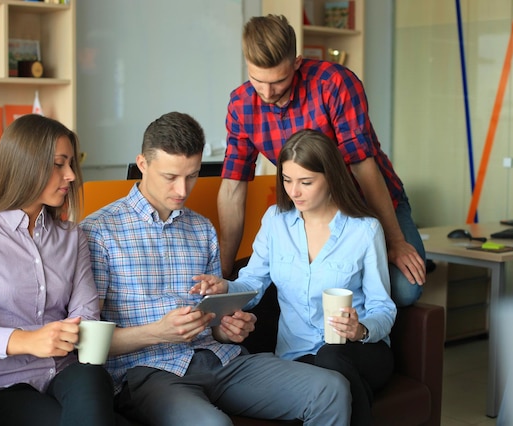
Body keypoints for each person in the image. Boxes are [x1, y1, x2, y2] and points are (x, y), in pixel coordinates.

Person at [80, 112, 352, 425]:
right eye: (170, 177)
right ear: (142, 164)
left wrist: (227, 329)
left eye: (192, 175)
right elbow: (87, 343)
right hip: (150, 373)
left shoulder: (202, 228)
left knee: (331, 388)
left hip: (221, 361)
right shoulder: (99, 232)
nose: (182, 190)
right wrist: (157, 332)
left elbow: (216, 323)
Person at [217, 14, 425, 307]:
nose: (267, 93)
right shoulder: (240, 105)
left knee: (404, 290)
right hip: (317, 212)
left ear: (298, 62)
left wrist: (396, 242)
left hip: (370, 200)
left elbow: (363, 167)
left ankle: (373, 336)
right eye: (257, 81)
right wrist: (224, 271)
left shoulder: (334, 83)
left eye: (278, 81)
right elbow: (232, 188)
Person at [194, 129, 397, 426]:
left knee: (332, 358)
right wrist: (225, 287)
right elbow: (253, 283)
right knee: (327, 369)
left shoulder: (365, 230)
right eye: (287, 180)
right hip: (298, 355)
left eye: (306, 182)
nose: (294, 192)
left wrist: (361, 329)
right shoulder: (275, 221)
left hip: (363, 352)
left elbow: (384, 307)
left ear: (330, 177)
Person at [0, 114, 116, 426]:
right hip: (0, 387)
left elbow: (86, 319)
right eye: (60, 164)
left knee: (93, 378)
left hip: (67, 374)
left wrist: (77, 332)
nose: (71, 175)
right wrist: (24, 341)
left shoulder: (73, 238)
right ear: (25, 164)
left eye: (71, 163)